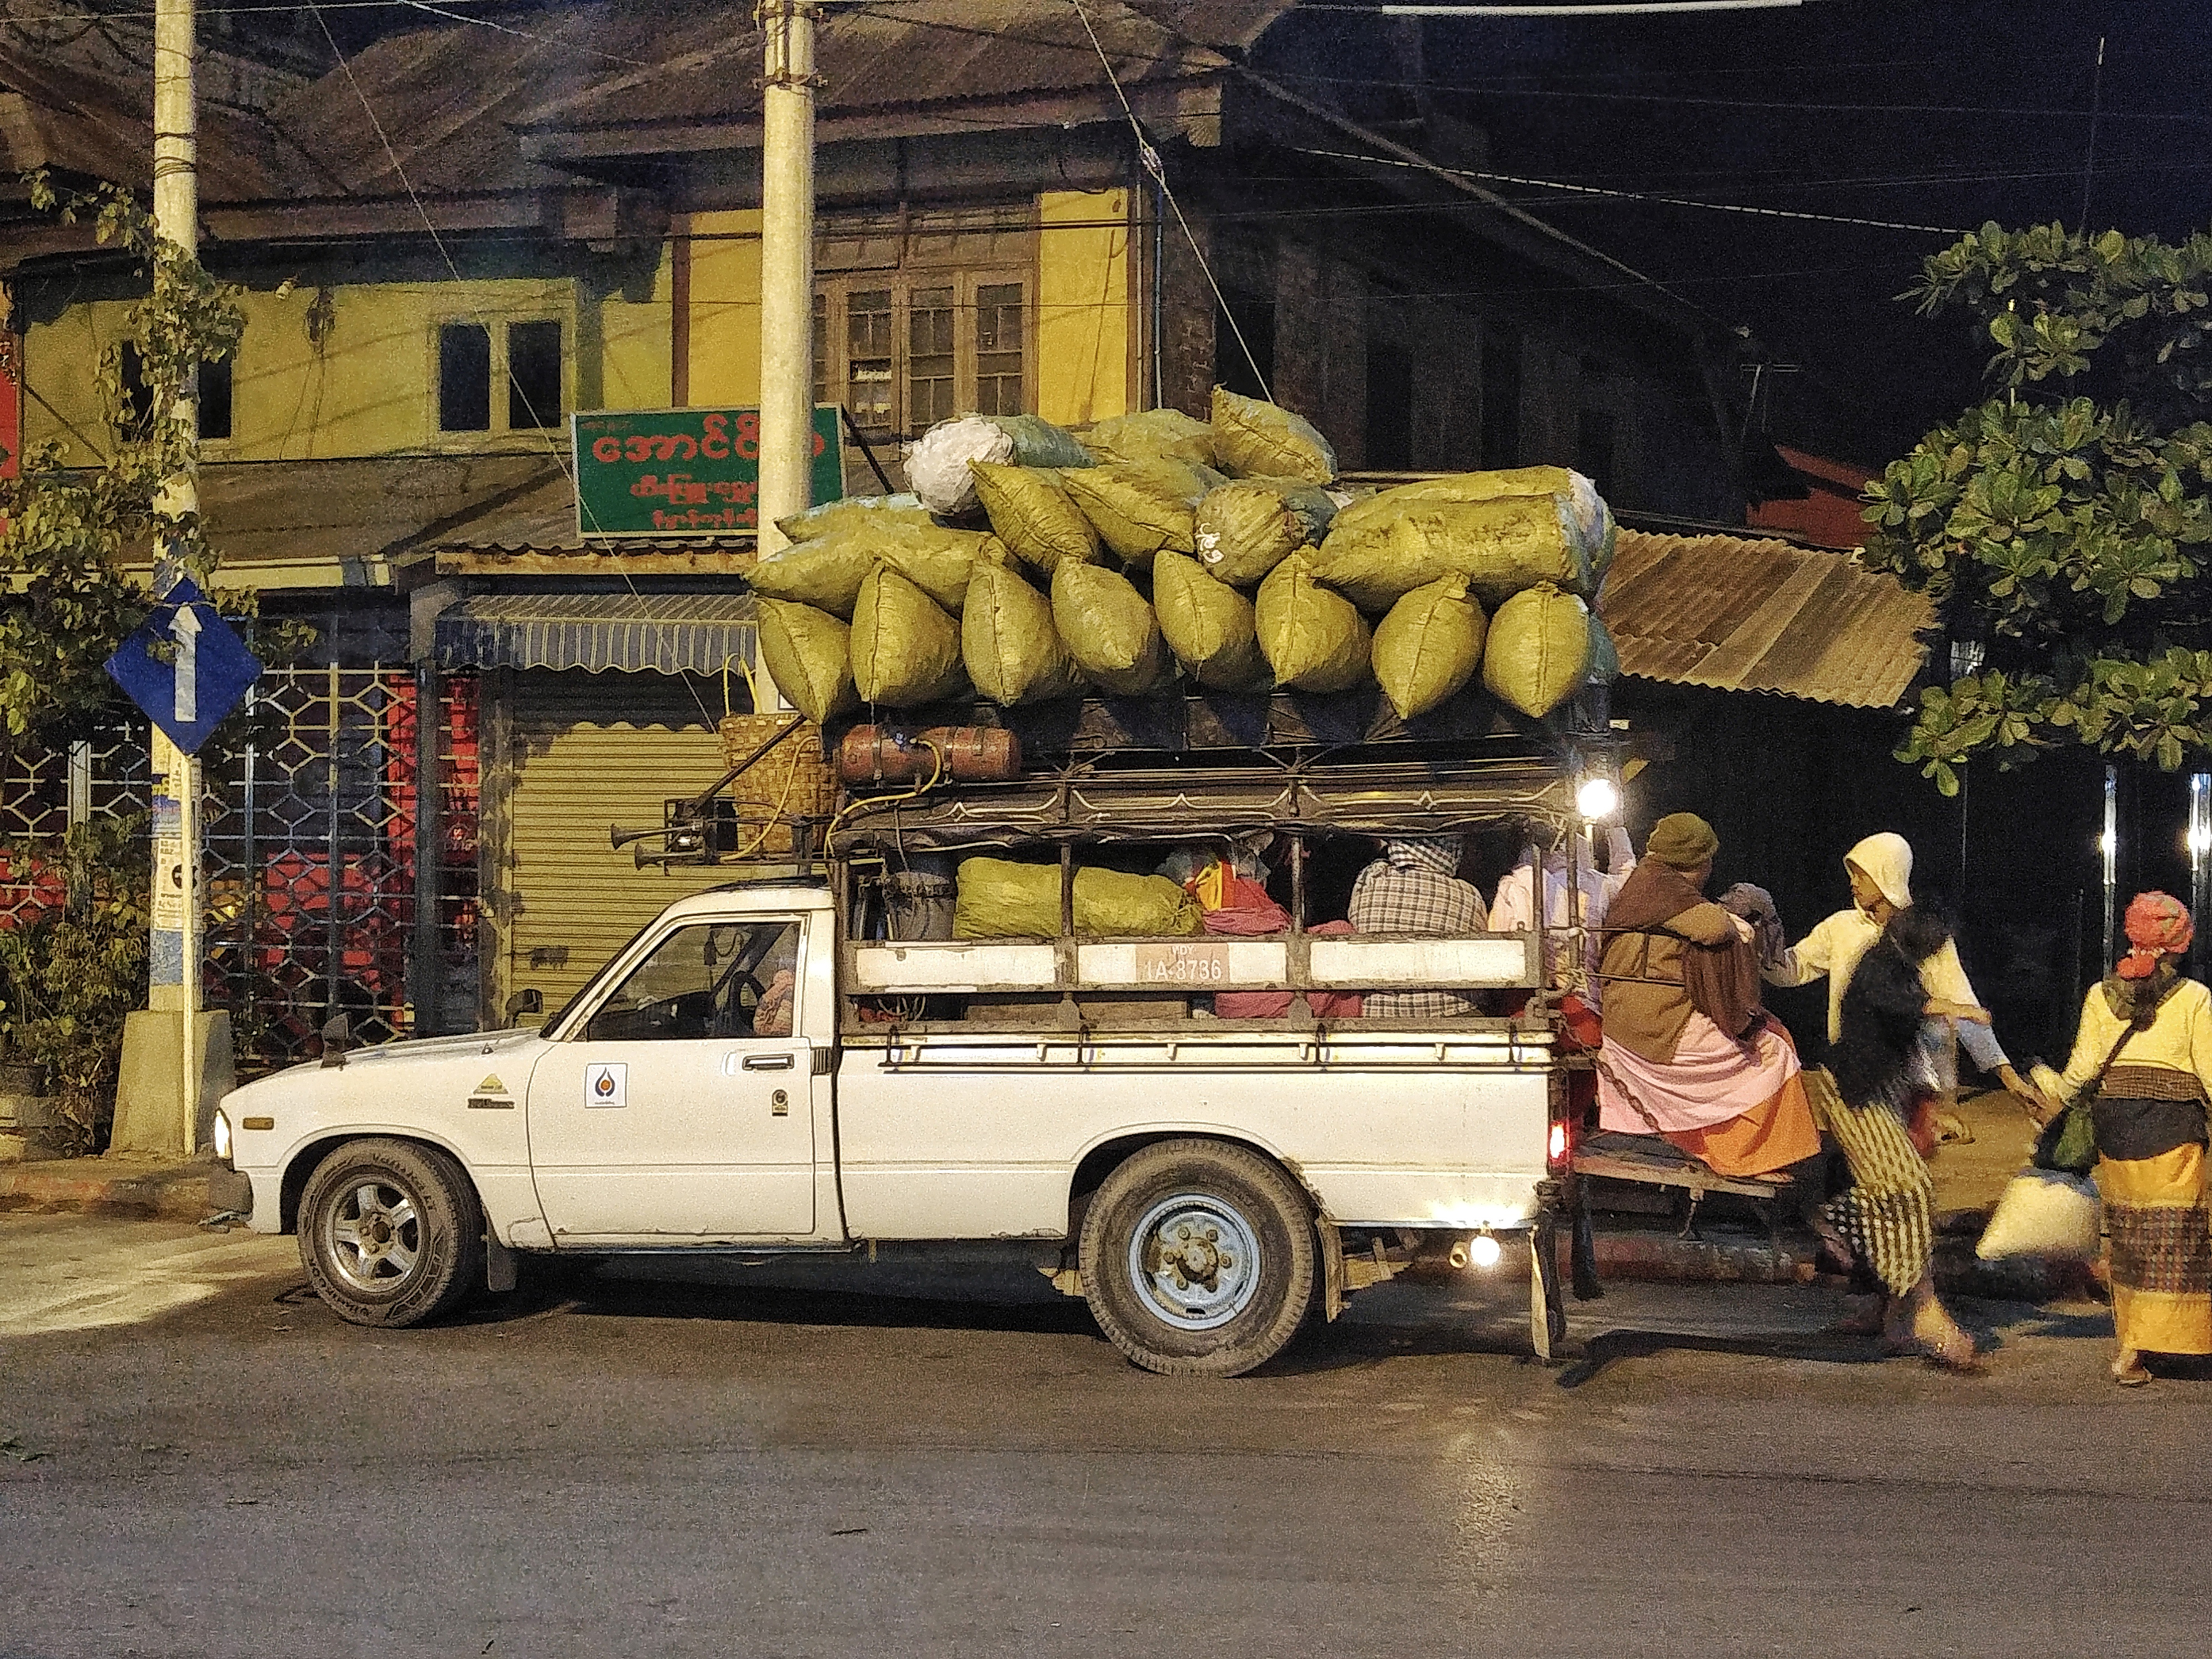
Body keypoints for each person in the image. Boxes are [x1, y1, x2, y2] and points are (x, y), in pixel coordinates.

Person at [1590, 813, 1822, 1178]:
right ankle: (1742, 1154)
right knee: (1770, 1050)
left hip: (1639, 1020)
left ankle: (1736, 1148)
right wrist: (1738, 920)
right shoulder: (1661, 886)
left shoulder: (1649, 882)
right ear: (1696, 860)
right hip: (1655, 1029)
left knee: (1771, 1033)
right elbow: (1713, 928)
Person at [1817, 905, 1990, 1372]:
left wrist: (1930, 1105)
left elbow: (1914, 1034)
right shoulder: (1878, 966)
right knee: (1907, 1188)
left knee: (1893, 1198)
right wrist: (1957, 1008)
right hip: (1856, 1092)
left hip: (1882, 1090)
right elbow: (1896, 1005)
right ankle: (1924, 1309)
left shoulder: (1899, 967)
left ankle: (1894, 1311)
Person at [2049, 891, 2212, 1385]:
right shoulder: (2194, 998)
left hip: (2115, 1131)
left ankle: (2131, 1350)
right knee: (2176, 1240)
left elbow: (2081, 1070)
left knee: (2131, 1239)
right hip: (2173, 1130)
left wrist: (2048, 1095)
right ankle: (2159, 1341)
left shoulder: (2101, 995)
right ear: (2179, 944)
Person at [1766, 831, 2035, 1105]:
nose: (1853, 883)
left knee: (1939, 1031)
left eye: (1862, 875)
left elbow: (1962, 1001)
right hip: (1857, 1064)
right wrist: (1757, 942)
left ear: (1886, 874)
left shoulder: (1922, 934)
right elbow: (1791, 969)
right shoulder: (1841, 927)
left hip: (1908, 1075)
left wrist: (2007, 1075)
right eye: (1853, 874)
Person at [1490, 822, 1637, 1004]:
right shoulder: (1597, 884)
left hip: (1525, 998)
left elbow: (1497, 941)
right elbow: (1628, 879)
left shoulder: (1514, 885)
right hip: (1584, 999)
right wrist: (1617, 827)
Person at [1346, 836, 1486, 1019]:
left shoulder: (1370, 880)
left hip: (1379, 1012)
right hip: (1453, 1012)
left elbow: (1355, 921)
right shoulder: (1469, 894)